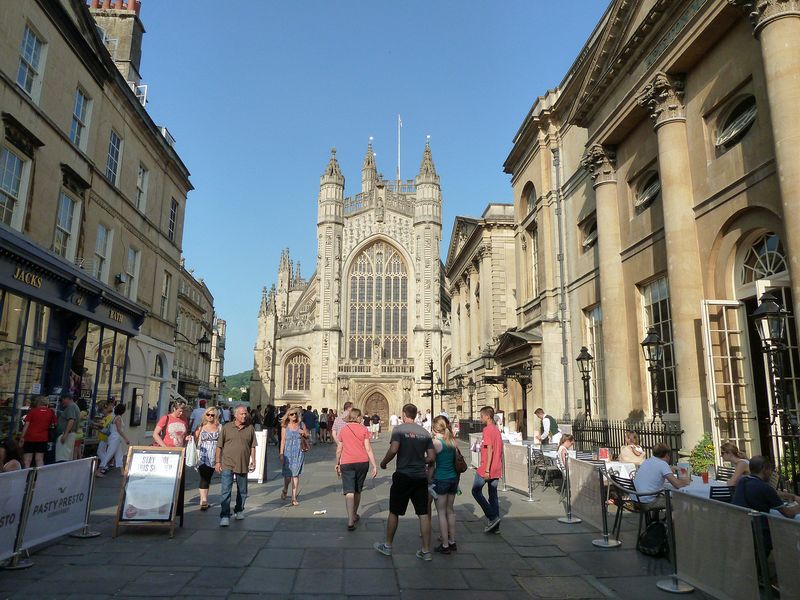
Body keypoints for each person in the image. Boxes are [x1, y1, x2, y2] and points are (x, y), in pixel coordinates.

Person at [374, 403, 435, 561]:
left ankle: (387, 546)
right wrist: (421, 460)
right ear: (415, 415)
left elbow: (394, 449)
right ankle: (426, 550)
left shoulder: (399, 430)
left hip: (403, 475)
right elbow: (432, 457)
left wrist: (383, 462)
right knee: (423, 513)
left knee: (395, 511)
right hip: (420, 477)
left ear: (403, 414)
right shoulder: (425, 432)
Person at [335, 408, 378, 530]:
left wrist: (337, 462)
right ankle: (354, 514)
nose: (362, 419)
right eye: (361, 417)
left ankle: (350, 520)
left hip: (347, 462)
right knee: (358, 490)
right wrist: (374, 465)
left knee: (349, 491)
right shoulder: (363, 429)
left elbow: (339, 448)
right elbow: (368, 448)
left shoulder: (344, 429)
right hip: (362, 462)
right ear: (357, 417)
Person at [216, 405, 257, 527]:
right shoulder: (227, 427)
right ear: (235, 415)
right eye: (242, 414)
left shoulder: (250, 428)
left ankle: (239, 509)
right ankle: (224, 515)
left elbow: (252, 446)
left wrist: (253, 460)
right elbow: (219, 446)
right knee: (226, 490)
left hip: (243, 462)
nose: (244, 416)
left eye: (245, 414)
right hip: (227, 462)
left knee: (242, 490)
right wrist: (217, 462)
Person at [472, 406, 504, 533]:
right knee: (493, 495)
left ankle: (492, 516)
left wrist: (486, 470)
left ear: (487, 416)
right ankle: (495, 526)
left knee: (475, 491)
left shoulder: (487, 430)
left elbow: (489, 449)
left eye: (481, 416)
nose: (480, 418)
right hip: (496, 467)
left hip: (487, 468)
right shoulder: (496, 430)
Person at [431, 415, 460, 554]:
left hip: (441, 478)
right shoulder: (453, 441)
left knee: (441, 513)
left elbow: (430, 460)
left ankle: (444, 545)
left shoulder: (436, 443)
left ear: (435, 428)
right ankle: (452, 541)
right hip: (453, 478)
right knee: (450, 510)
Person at [633, 443, 690, 509]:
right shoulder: (663, 464)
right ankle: (673, 519)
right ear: (666, 455)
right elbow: (677, 485)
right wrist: (686, 481)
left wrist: (669, 468)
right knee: (680, 502)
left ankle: (655, 518)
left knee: (660, 495)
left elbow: (655, 473)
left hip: (636, 500)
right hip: (646, 502)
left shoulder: (647, 461)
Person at [280, 407, 308, 506]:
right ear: (288, 416)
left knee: (295, 475)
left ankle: (293, 498)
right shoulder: (284, 426)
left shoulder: (301, 424)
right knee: (288, 477)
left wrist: (303, 432)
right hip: (287, 453)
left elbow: (307, 435)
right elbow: (283, 440)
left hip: (298, 452)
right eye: (291, 414)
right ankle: (285, 489)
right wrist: (281, 454)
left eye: (295, 414)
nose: (294, 416)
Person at [195, 406, 221, 511]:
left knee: (208, 477)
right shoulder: (201, 426)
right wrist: (191, 438)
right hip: (203, 454)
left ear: (216, 416)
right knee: (204, 477)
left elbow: (222, 441)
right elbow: (195, 439)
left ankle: (204, 499)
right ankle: (203, 500)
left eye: (212, 415)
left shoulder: (219, 427)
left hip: (214, 455)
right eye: (208, 414)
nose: (210, 417)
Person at [20, 395, 56, 468]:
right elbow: (54, 424)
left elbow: (26, 425)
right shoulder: (51, 412)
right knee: (39, 459)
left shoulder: (32, 411)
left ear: (38, 402)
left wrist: (22, 437)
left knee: (27, 459)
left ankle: (25, 477)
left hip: (30, 437)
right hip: (43, 438)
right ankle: (39, 477)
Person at [95, 404, 130, 477]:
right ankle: (98, 471)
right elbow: (119, 430)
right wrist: (126, 438)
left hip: (114, 438)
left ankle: (122, 471)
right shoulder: (118, 418)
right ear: (122, 411)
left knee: (119, 455)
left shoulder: (115, 417)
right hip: (116, 438)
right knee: (109, 455)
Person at [55, 392, 80, 462]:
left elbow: (71, 420)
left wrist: (65, 434)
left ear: (67, 399)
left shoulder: (71, 406)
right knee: (67, 456)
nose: (62, 402)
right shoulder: (74, 406)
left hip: (67, 434)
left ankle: (62, 472)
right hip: (70, 434)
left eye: (62, 400)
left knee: (63, 457)